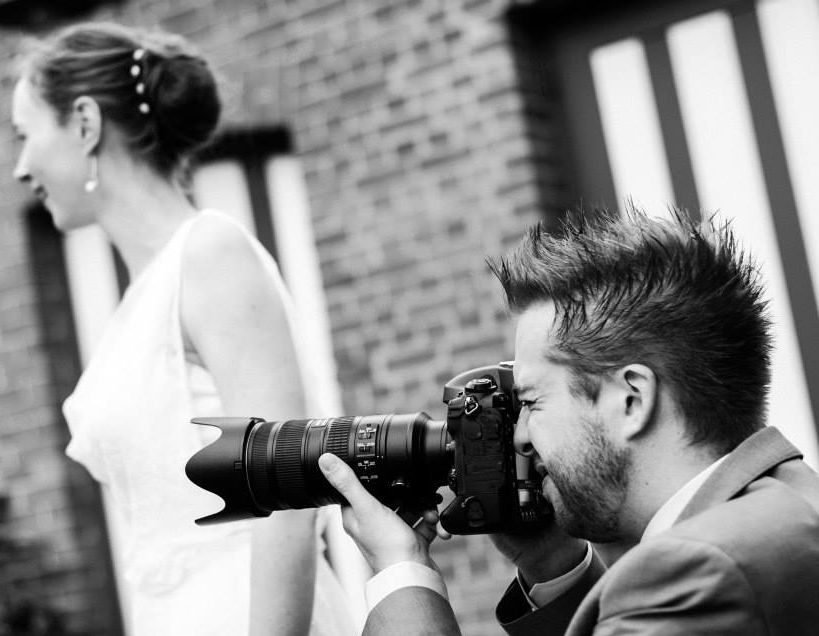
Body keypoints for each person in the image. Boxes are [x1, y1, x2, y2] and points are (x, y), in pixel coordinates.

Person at [318, 206, 819, 635]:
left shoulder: (698, 569)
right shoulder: (786, 509)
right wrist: (550, 565)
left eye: (532, 403)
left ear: (631, 399)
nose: (519, 436)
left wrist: (401, 574)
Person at [11, 21, 355, 636]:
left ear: (85, 124)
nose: (20, 166)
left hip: (246, 610)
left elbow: (288, 498)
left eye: (26, 133)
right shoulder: (137, 302)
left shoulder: (209, 254)